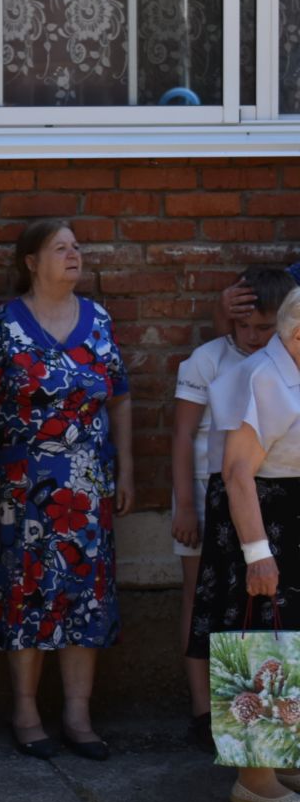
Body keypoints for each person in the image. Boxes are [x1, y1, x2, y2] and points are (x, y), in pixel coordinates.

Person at [0, 220, 132, 761]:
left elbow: (120, 397)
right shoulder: (1, 326)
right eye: (59, 248)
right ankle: (25, 711)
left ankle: (79, 715)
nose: (73, 255)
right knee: (26, 595)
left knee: (86, 596)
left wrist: (126, 470)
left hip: (87, 488)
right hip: (19, 488)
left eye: (77, 247)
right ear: (31, 262)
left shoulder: (99, 319)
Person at [190, 287, 300, 802]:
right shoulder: (265, 377)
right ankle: (255, 778)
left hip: (287, 516)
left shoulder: (288, 369)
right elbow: (237, 473)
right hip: (261, 520)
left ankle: (281, 758)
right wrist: (258, 552)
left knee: (287, 635)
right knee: (260, 634)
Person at [171, 267, 288, 751]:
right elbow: (182, 437)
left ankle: (258, 721)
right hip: (205, 494)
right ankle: (204, 710)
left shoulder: (283, 365)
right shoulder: (207, 360)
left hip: (263, 500)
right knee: (201, 601)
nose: (255, 337)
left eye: (266, 329)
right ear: (230, 320)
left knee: (255, 607)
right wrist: (184, 508)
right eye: (246, 327)